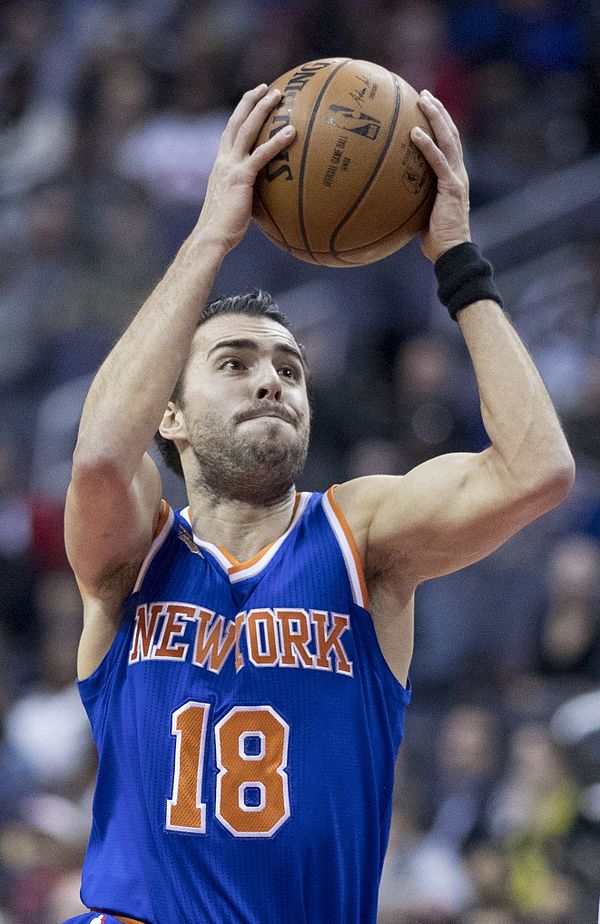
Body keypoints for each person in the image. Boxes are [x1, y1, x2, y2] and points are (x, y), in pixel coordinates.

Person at [63, 83, 574, 924]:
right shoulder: (131, 555)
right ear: (172, 415)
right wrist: (211, 234)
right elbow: (96, 458)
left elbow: (538, 472)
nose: (272, 377)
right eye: (234, 363)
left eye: (290, 369)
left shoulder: (360, 535)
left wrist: (458, 260)